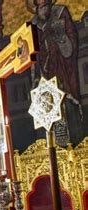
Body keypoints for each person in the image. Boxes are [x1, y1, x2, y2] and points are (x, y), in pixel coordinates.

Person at [30, 0, 83, 144]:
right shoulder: (33, 23)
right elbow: (32, 53)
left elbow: (70, 43)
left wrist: (61, 38)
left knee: (67, 107)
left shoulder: (60, 12)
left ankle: (71, 144)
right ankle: (53, 145)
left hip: (62, 70)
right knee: (47, 115)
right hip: (44, 76)